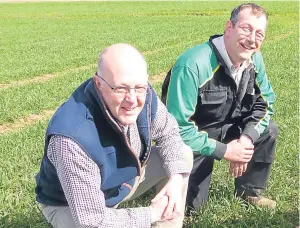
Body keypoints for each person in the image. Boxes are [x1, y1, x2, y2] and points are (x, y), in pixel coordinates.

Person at [35, 43, 193, 228]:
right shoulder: (71, 138)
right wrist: (151, 214)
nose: (132, 100)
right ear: (98, 84)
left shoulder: (145, 95)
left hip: (119, 182)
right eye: (121, 89)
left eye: (139, 87)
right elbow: (91, 220)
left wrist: (175, 179)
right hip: (71, 205)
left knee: (183, 154)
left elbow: (169, 132)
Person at [161, 3, 278, 213]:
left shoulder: (253, 59)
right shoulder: (193, 65)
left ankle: (249, 192)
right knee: (192, 209)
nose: (252, 39)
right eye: (246, 29)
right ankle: (160, 176)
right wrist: (226, 151)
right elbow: (176, 129)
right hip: (195, 137)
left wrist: (246, 139)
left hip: (230, 125)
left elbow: (266, 102)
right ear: (228, 28)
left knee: (267, 129)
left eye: (259, 34)